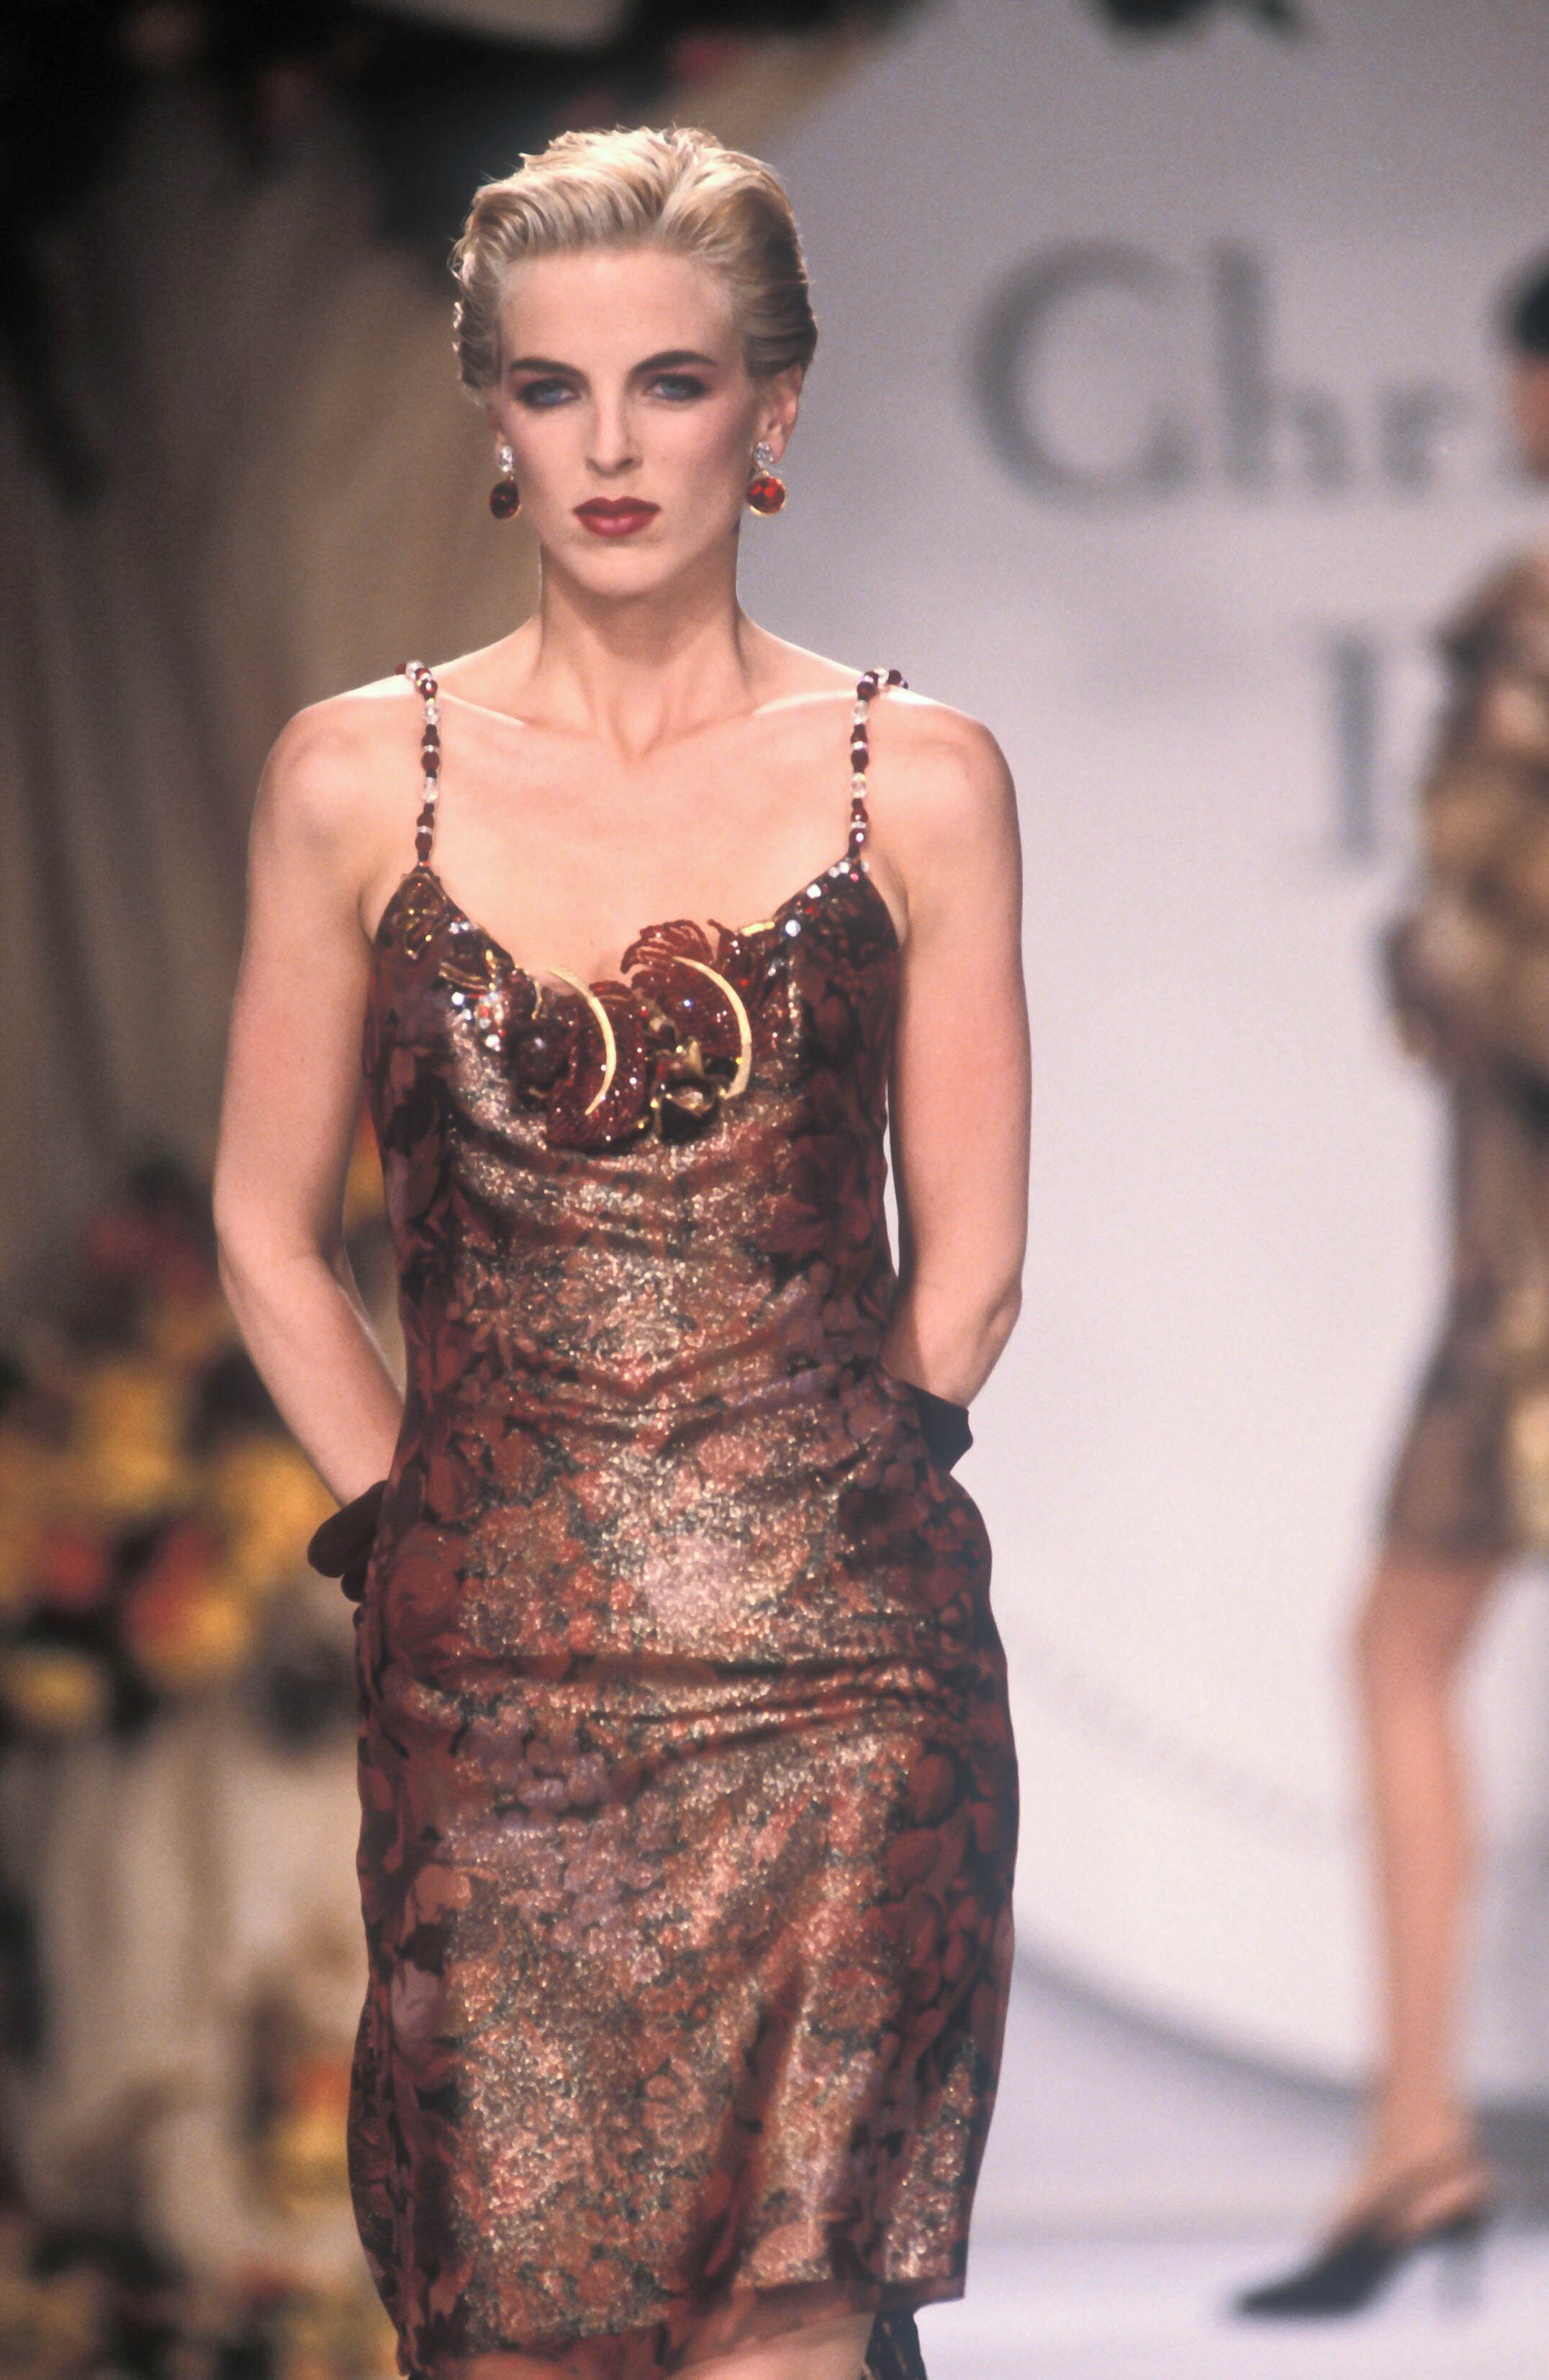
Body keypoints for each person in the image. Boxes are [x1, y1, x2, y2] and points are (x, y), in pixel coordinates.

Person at [211, 125, 1029, 2380]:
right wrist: (417, 1526)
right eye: (553, 386)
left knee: (776, 2325)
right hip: (513, 1700)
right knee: (523, 2325)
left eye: (670, 382)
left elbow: (969, 1266)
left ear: (773, 406)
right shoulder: (353, 779)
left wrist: (817, 1518)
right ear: (492, 412)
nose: (609, 445)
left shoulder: (915, 777)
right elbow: (262, 1229)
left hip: (829, 1701)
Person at [1237, 238, 1549, 2319]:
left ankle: (1420, 2138)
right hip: (1533, 1249)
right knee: (1401, 1643)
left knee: (1396, 1649)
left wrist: (1444, 964)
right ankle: (1413, 2144)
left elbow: (1501, 940)